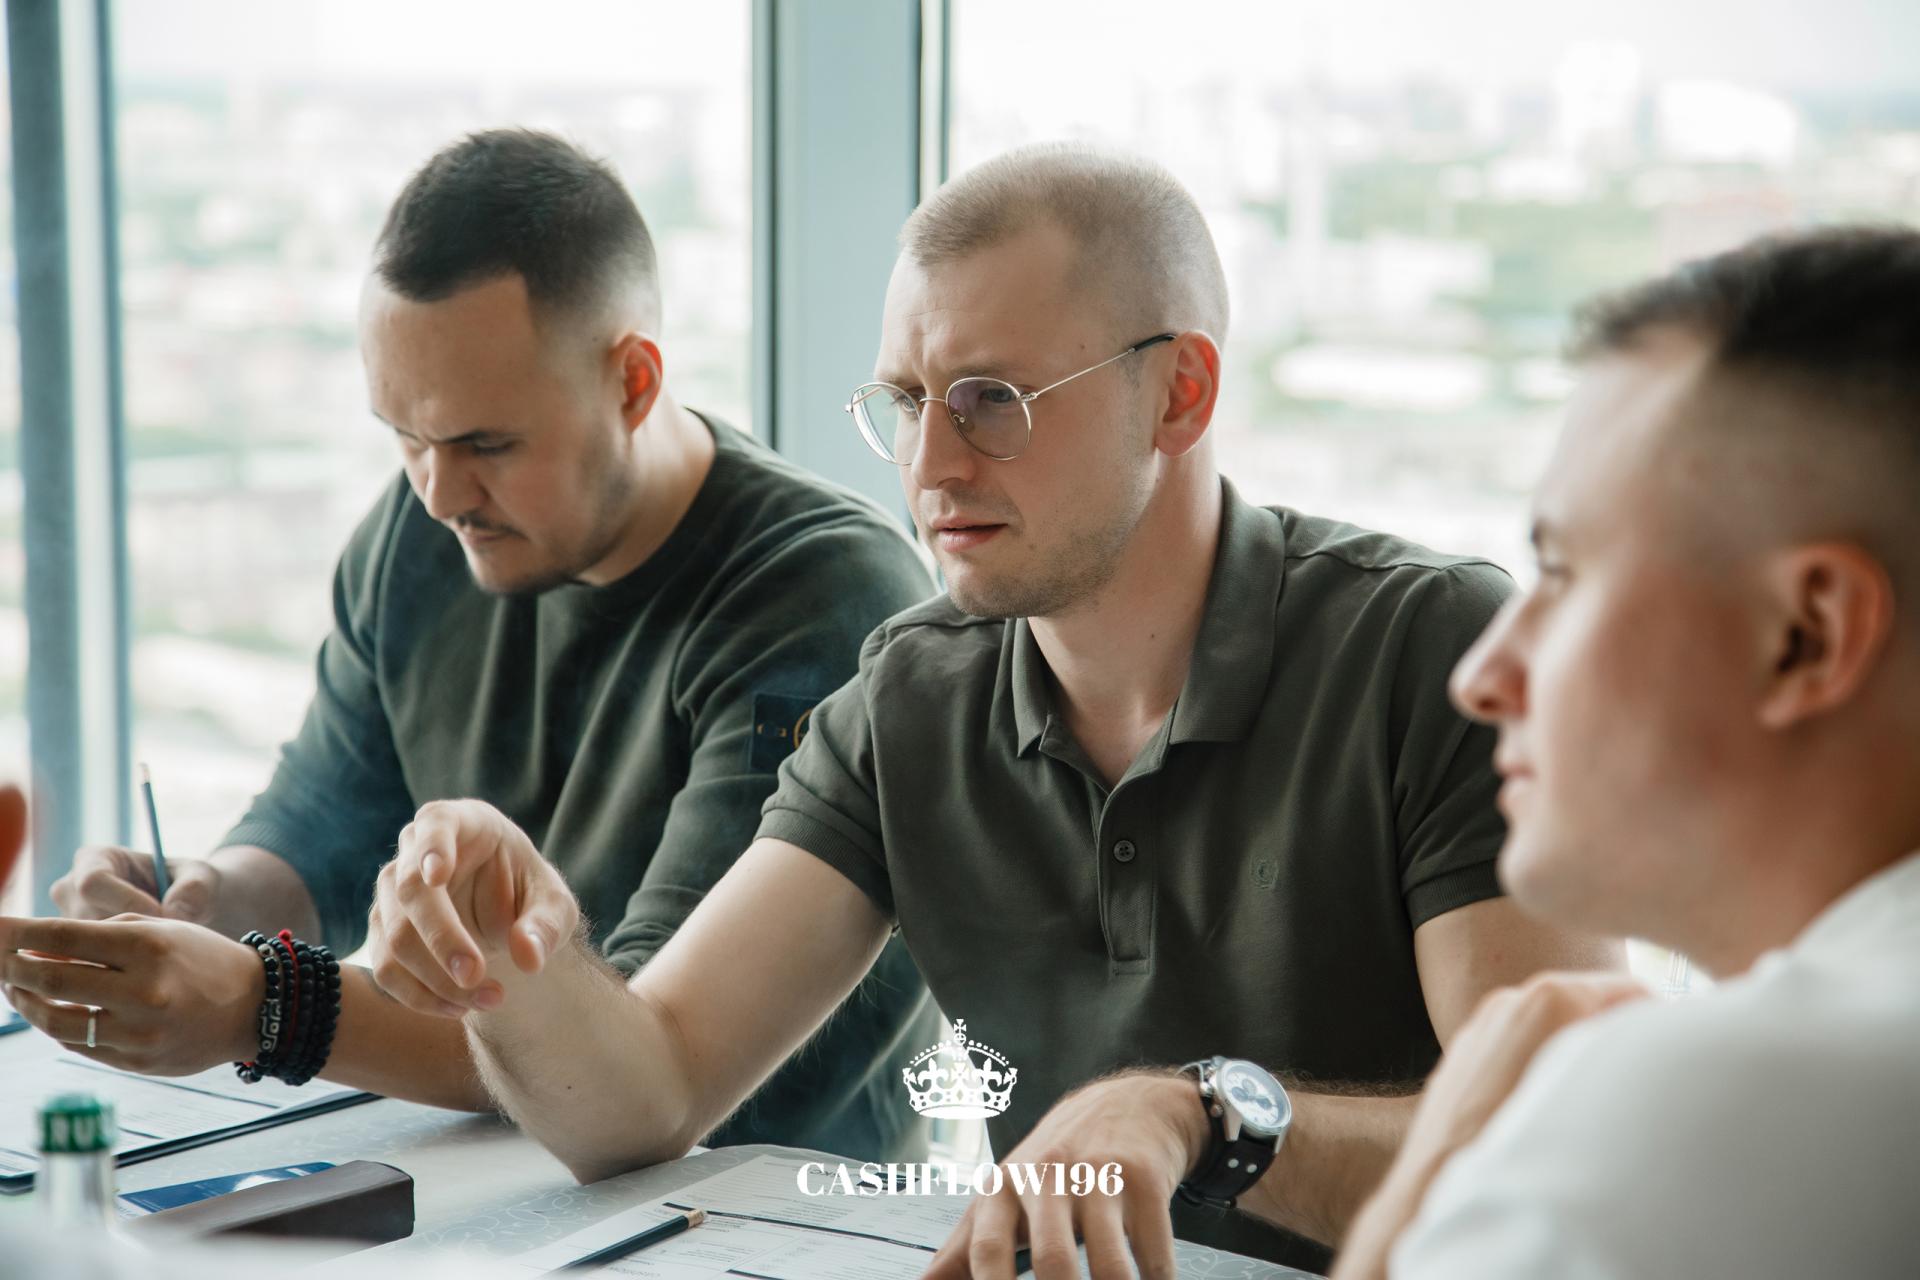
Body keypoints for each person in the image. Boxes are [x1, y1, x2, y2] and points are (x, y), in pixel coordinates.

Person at [363, 143, 1619, 1275]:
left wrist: (1200, 1117)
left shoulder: (1434, 649)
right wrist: (516, 949)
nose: (930, 466)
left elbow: (1569, 1140)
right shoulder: (909, 698)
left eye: (991, 400)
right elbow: (647, 1094)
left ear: (1179, 393)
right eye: (909, 402)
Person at [0, 129, 940, 1163]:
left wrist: (262, 1003)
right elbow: (321, 820)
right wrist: (201, 900)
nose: (440, 493)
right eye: (405, 435)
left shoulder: (822, 598)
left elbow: (630, 1054)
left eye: (485, 443)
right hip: (486, 1181)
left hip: (756, 1203)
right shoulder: (421, 535)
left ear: (633, 382)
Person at [1333, 225, 1920, 1279]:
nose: (1481, 677)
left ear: (1805, 635)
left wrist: (1446, 1159)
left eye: (1561, 573)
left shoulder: (1707, 1105)